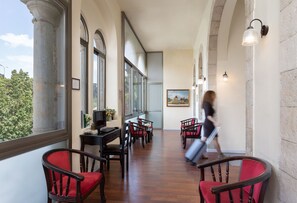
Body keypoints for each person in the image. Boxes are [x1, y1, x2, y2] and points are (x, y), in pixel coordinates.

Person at [201, 90, 225, 159]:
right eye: (214, 95)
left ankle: (199, 153)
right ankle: (220, 155)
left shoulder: (207, 104)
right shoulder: (207, 104)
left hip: (208, 124)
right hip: (209, 124)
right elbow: (208, 116)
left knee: (204, 139)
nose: (215, 97)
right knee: (214, 139)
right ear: (210, 96)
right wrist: (215, 122)